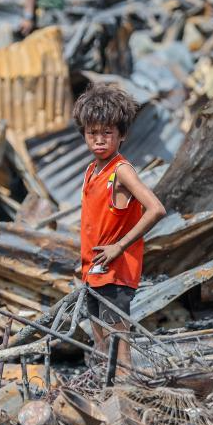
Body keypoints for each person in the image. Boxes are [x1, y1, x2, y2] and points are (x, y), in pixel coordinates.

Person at [74, 83, 165, 373]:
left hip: (117, 270)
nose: (99, 140)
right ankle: (107, 391)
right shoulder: (91, 170)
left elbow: (156, 209)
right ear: (84, 134)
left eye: (107, 133)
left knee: (117, 337)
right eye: (93, 133)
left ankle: (127, 389)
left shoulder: (121, 171)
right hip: (94, 270)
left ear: (122, 134)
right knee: (100, 338)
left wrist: (119, 246)